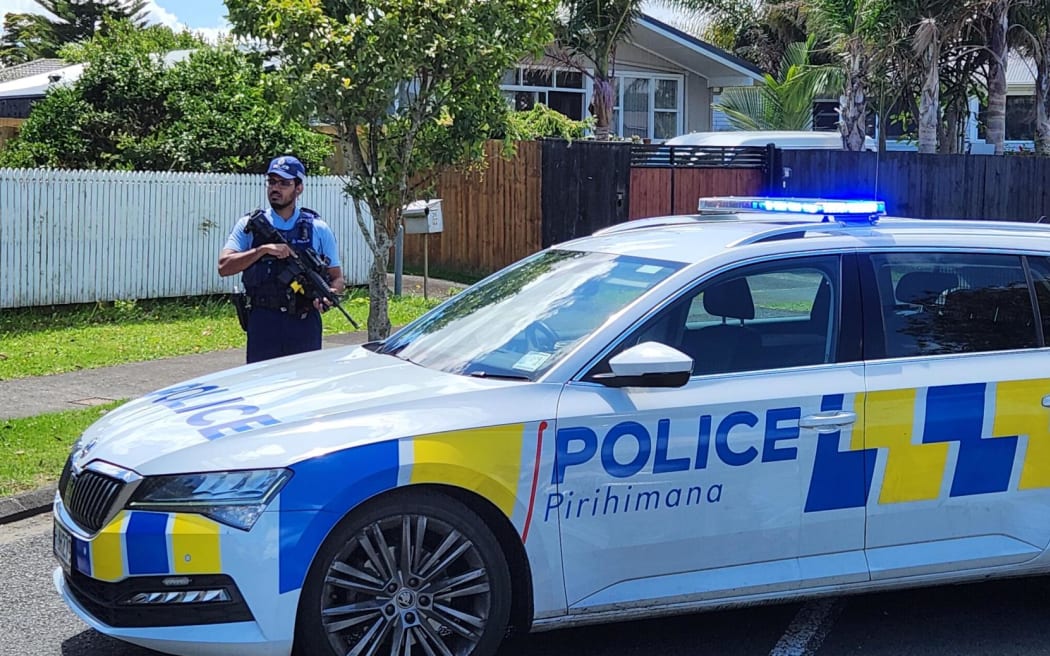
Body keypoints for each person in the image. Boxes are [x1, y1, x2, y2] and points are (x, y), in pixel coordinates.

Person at [218, 155, 345, 363]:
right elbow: (224, 267)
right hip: (264, 321)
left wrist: (329, 294)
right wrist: (261, 251)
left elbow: (337, 277)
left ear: (299, 188)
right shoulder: (249, 225)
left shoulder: (317, 228)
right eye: (272, 182)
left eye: (284, 183)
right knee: (262, 388)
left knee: (305, 386)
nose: (276, 188)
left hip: (304, 322)